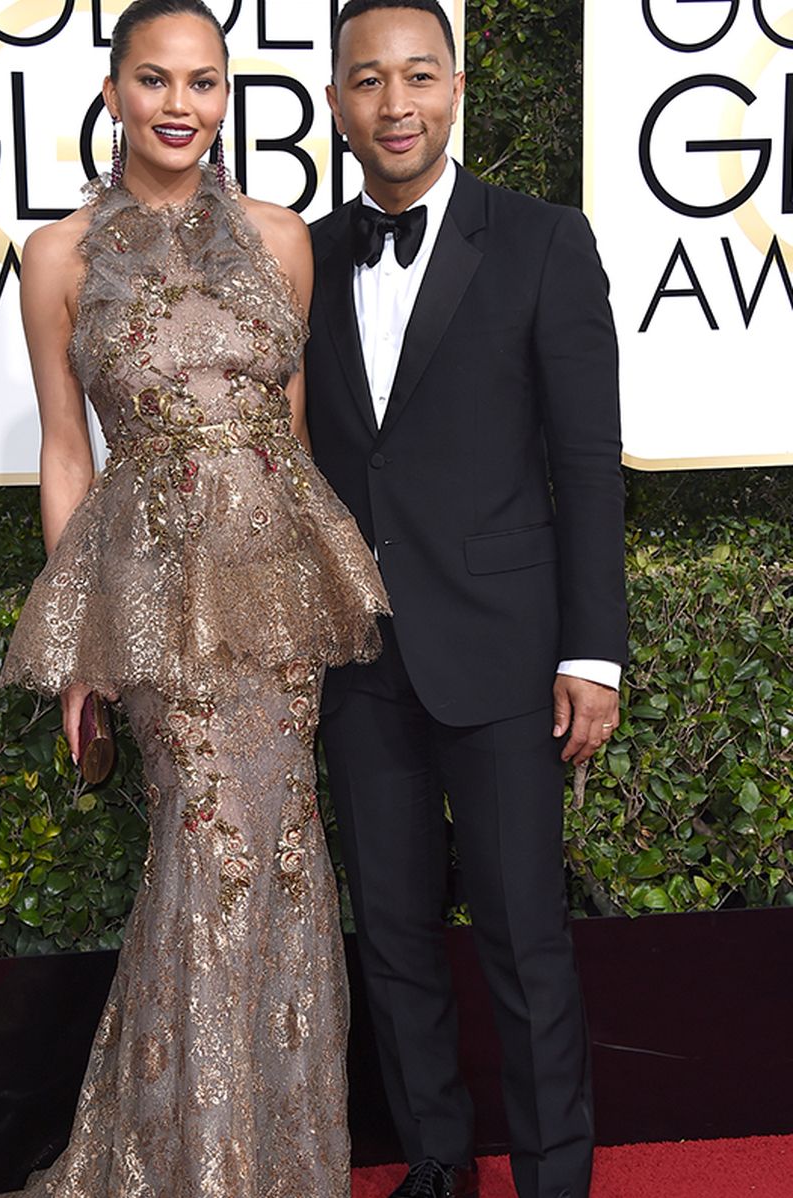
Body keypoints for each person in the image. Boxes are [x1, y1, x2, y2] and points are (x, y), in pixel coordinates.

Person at [0, 1, 388, 1195]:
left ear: (226, 98)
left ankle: (277, 1162)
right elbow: (70, 456)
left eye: (204, 83)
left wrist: (318, 588)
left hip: (274, 592)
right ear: (112, 94)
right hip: (155, 595)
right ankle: (186, 1164)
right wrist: (82, 648)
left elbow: (295, 435)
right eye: (156, 81)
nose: (181, 106)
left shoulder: (281, 238)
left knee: (282, 857)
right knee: (204, 846)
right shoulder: (59, 255)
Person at [305, 3, 628, 1197]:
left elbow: (586, 461)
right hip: (358, 659)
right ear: (335, 102)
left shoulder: (542, 240)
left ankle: (553, 1177)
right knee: (391, 939)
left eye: (419, 76)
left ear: (455, 90)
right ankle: (437, 1163)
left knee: (523, 941)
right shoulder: (307, 255)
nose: (396, 104)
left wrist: (592, 650)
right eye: (368, 80)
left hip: (502, 652)